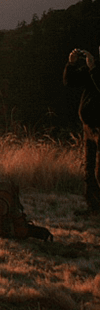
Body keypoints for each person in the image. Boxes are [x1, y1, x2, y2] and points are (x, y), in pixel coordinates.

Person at [64, 47, 99, 213]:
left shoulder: (94, 70)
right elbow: (70, 82)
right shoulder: (93, 68)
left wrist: (93, 70)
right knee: (89, 167)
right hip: (89, 126)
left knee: (99, 169)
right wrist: (71, 64)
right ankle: (92, 205)